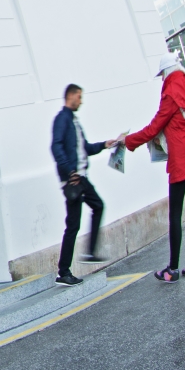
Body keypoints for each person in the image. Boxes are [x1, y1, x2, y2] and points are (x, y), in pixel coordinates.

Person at [124, 53, 185, 283]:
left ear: (165, 73)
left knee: (174, 213)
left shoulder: (170, 91)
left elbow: (155, 127)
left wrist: (128, 141)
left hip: (182, 157)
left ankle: (172, 269)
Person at [50, 84, 120, 287]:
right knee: (73, 225)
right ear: (70, 96)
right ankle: (64, 271)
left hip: (80, 177)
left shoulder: (74, 121)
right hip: (73, 179)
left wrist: (104, 145)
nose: (81, 101)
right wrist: (69, 171)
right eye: (79, 97)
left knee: (97, 206)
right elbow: (55, 146)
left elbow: (85, 149)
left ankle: (89, 251)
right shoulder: (62, 119)